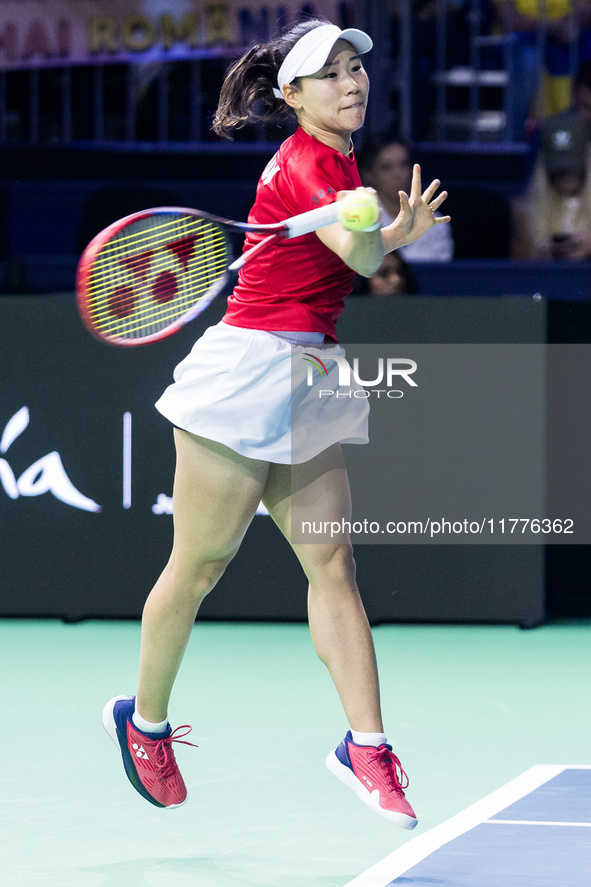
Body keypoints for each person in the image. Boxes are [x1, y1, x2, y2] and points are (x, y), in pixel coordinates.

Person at [101, 19, 449, 829]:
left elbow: (351, 251)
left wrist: (390, 227)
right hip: (249, 371)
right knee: (200, 564)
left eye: (354, 68)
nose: (350, 83)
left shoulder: (340, 159)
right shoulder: (304, 162)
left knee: (332, 564)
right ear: (291, 95)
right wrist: (373, 230)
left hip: (313, 367)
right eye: (328, 75)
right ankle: (143, 721)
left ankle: (366, 746)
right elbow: (359, 261)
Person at [359, 139, 454, 261]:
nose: (398, 174)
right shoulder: (361, 219)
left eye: (404, 164)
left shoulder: (436, 223)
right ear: (368, 174)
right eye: (387, 167)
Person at [513, 112, 591, 259]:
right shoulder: (522, 214)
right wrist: (539, 253)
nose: (567, 174)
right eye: (560, 167)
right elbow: (515, 269)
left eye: (573, 165)